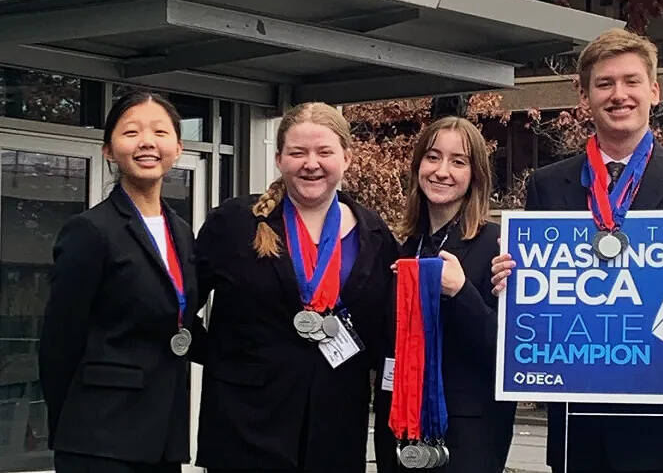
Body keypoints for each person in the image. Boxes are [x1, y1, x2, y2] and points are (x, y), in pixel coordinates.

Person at [490, 28, 663, 473]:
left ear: (654, 91)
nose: (619, 95)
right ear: (585, 96)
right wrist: (510, 282)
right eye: (605, 84)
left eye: (632, 81)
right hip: (579, 427)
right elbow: (538, 303)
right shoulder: (548, 184)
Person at [192, 102, 397, 473]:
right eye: (298, 152)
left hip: (335, 431)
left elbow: (384, 332)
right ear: (279, 158)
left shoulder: (377, 236)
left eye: (324, 152)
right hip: (246, 428)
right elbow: (180, 303)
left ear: (347, 158)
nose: (311, 163)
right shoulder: (235, 223)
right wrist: (228, 360)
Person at [39, 91, 197, 473]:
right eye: (131, 132)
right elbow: (59, 341)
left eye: (160, 132)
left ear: (177, 148)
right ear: (109, 150)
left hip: (162, 440)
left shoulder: (182, 232)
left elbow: (178, 324)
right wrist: (71, 427)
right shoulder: (90, 231)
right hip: (99, 437)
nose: (147, 142)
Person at [373, 117, 516, 473]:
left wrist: (460, 290)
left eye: (458, 161)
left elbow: (509, 352)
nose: (442, 171)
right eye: (433, 157)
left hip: (467, 435)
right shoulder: (402, 247)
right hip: (400, 427)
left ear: (475, 175)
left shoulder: (499, 248)